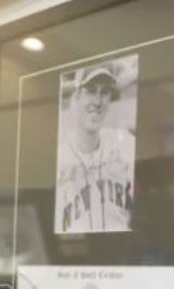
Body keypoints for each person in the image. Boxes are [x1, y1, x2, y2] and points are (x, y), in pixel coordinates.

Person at [54, 61, 135, 234]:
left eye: (104, 92)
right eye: (90, 91)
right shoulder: (59, 159)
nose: (98, 101)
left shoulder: (125, 144)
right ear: (76, 97)